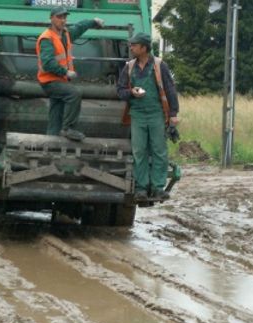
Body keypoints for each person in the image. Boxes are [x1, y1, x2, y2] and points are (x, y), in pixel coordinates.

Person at [117, 32, 179, 200]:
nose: (131, 48)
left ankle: (158, 187)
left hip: (156, 114)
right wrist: (131, 92)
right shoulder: (129, 67)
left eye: (134, 45)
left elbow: (170, 89)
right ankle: (141, 188)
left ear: (144, 48)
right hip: (137, 115)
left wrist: (173, 114)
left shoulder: (159, 65)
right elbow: (120, 91)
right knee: (139, 151)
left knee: (159, 150)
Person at [35, 6, 104, 142]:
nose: (63, 20)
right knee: (74, 94)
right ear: (51, 18)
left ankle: (51, 141)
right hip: (50, 81)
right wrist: (65, 72)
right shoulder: (47, 38)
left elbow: (79, 27)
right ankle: (68, 129)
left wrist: (93, 22)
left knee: (56, 112)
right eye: (59, 17)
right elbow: (48, 63)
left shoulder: (65, 34)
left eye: (64, 17)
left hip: (60, 81)